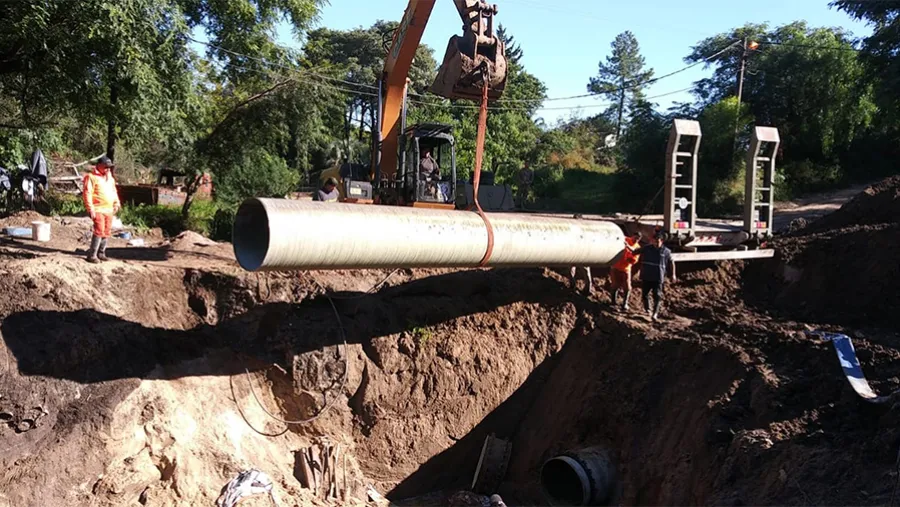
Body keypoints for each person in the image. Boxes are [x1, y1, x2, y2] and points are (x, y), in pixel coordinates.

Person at [82, 155, 121, 263]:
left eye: (109, 167)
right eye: (106, 167)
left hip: (109, 209)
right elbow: (87, 193)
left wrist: (116, 203)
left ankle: (101, 253)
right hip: (98, 209)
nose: (108, 169)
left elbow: (114, 192)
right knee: (99, 230)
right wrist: (90, 208)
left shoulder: (110, 179)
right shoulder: (91, 177)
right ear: (99, 165)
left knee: (106, 231)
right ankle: (92, 255)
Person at [631, 232, 676, 321]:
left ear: (662, 241)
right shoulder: (647, 248)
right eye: (654, 241)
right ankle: (647, 309)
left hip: (658, 277)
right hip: (646, 276)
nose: (655, 243)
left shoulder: (666, 251)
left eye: (657, 241)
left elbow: (671, 262)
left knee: (657, 295)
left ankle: (655, 313)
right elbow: (634, 252)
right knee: (645, 294)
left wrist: (673, 274)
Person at [610, 231, 642, 310]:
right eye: (635, 238)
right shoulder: (625, 239)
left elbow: (635, 259)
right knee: (614, 285)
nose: (636, 240)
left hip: (626, 269)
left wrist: (630, 260)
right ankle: (613, 302)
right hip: (616, 266)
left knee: (627, 287)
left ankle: (625, 303)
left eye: (638, 239)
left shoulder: (637, 247)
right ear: (632, 236)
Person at [569, 214, 595, 294]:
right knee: (581, 270)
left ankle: (586, 288)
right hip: (577, 252)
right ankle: (576, 286)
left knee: (582, 270)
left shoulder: (580, 230)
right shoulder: (580, 229)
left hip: (581, 252)